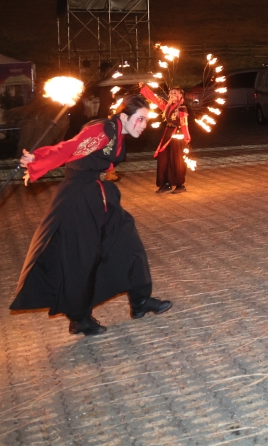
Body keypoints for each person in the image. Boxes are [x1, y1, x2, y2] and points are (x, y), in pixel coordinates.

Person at [12, 94, 172, 335]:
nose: (143, 125)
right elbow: (70, 148)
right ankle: (79, 318)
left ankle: (140, 300)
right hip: (79, 198)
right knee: (82, 258)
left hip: (101, 196)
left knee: (128, 241)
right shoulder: (103, 129)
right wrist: (38, 160)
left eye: (146, 121)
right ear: (124, 116)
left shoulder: (118, 132)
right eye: (140, 119)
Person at [147, 87, 190, 193]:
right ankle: (166, 183)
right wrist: (144, 88)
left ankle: (180, 185)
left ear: (180, 95)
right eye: (170, 93)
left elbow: (184, 123)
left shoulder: (182, 108)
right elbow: (155, 99)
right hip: (167, 133)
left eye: (175, 93)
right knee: (163, 159)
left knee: (176, 160)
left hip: (177, 135)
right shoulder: (168, 106)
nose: (172, 95)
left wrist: (187, 137)